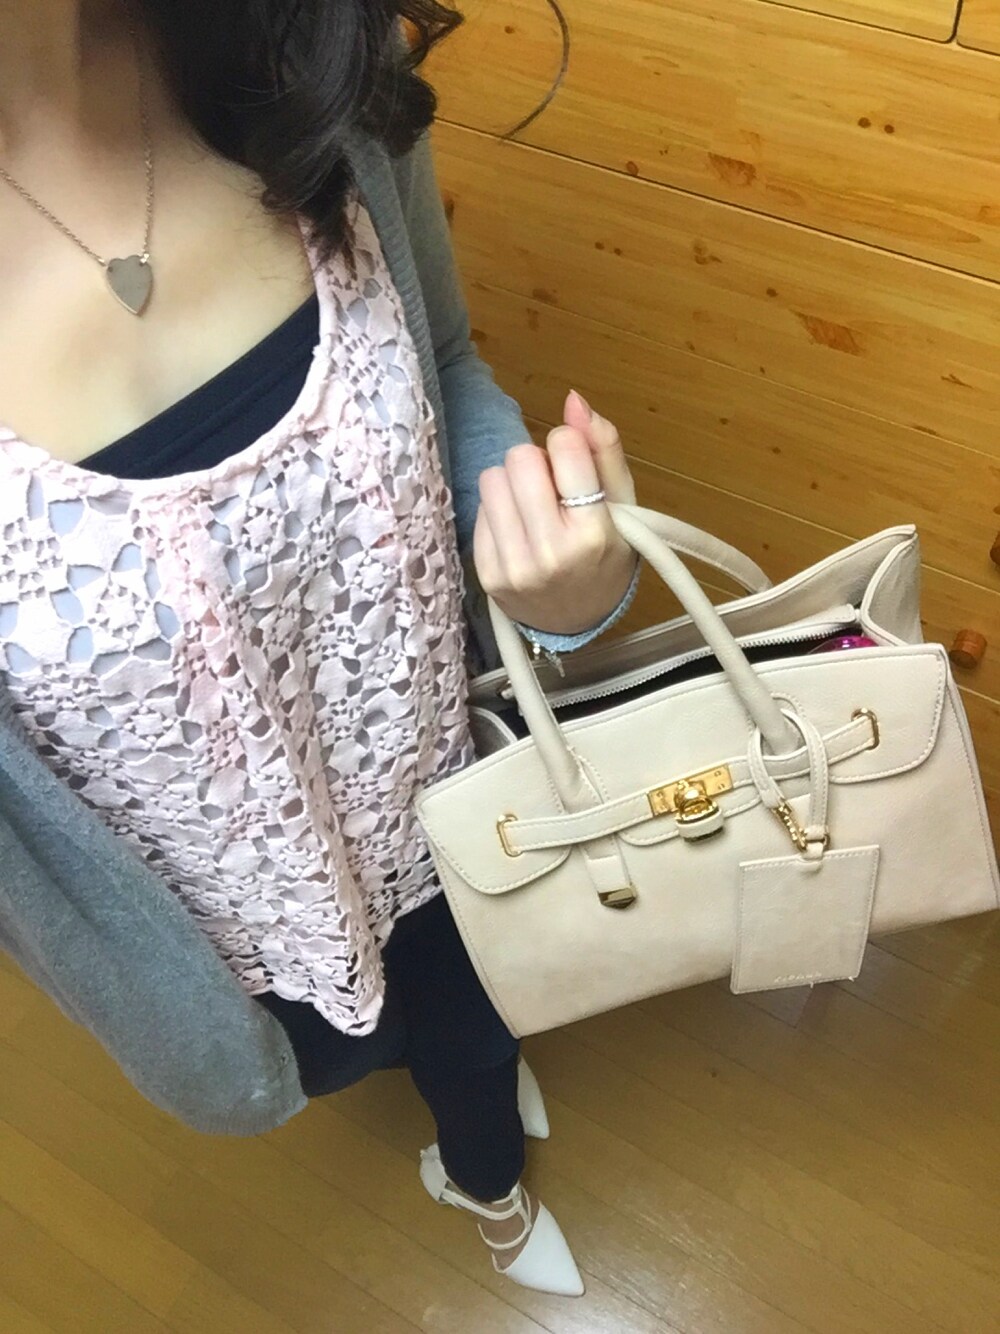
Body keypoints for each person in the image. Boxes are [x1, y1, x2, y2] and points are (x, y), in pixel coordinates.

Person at [0, 0, 640, 1297]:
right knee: (377, 1041)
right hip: (232, 940)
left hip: (463, 793)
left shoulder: (302, 47)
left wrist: (564, 577)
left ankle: (485, 1175)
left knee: (479, 1021)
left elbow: (440, 361)